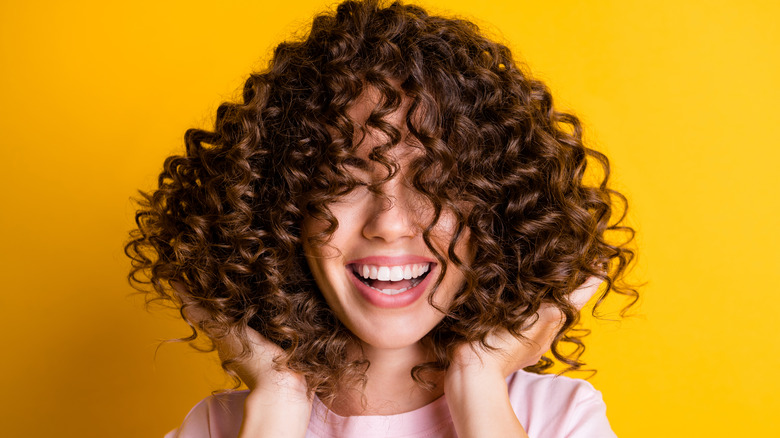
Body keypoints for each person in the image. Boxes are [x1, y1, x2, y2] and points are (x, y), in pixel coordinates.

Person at [126, 0, 637, 436]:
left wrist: (477, 382)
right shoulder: (226, 426)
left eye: (437, 181)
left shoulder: (558, 418)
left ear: (498, 211)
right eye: (344, 180)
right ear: (283, 209)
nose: (390, 224)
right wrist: (278, 399)